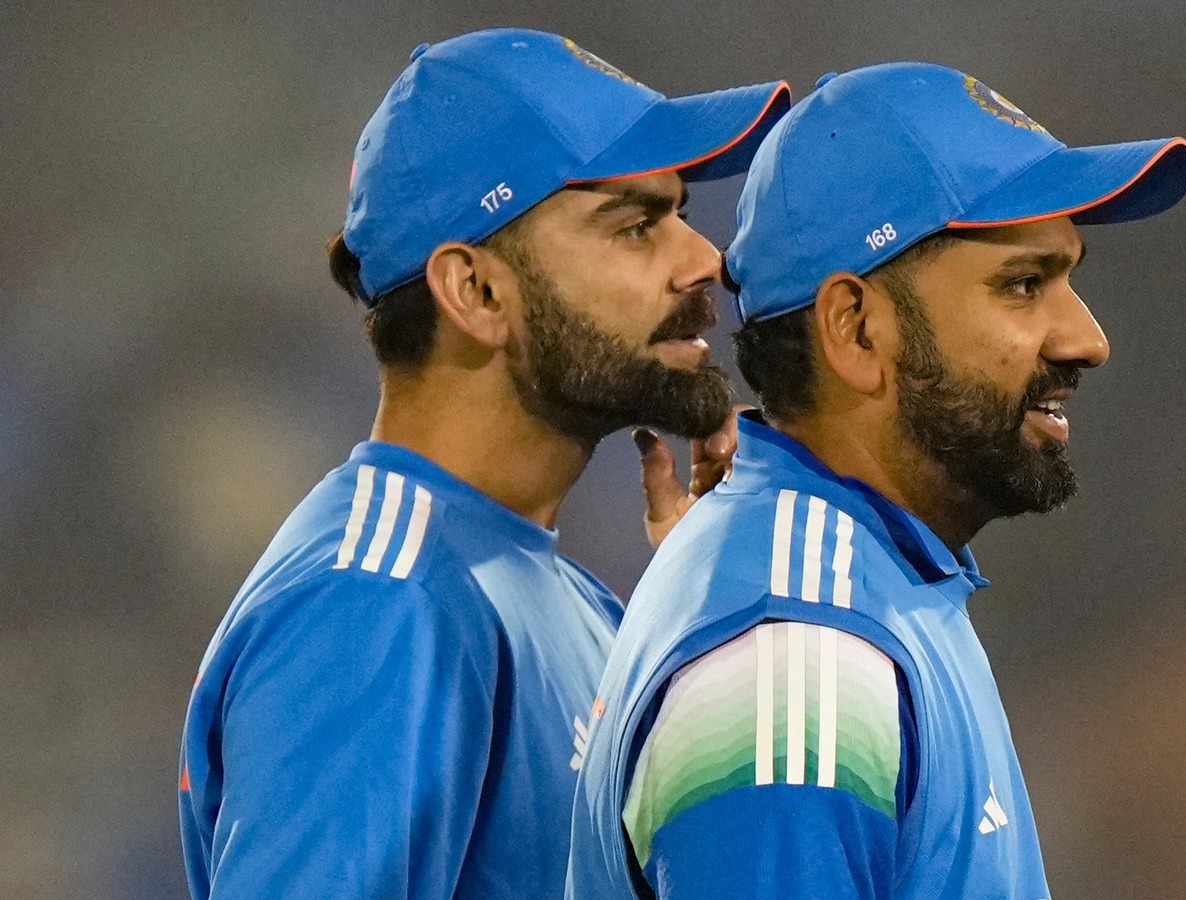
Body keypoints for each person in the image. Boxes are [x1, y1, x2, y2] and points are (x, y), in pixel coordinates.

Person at [177, 28, 790, 899]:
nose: (705, 260)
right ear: (476, 291)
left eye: (681, 216)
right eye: (635, 227)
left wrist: (702, 635)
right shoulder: (377, 606)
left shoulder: (567, 598)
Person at [567, 63, 1186, 898]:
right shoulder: (799, 664)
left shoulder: (871, 583)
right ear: (856, 330)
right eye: (1024, 285)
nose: (1087, 339)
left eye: (1068, 280)